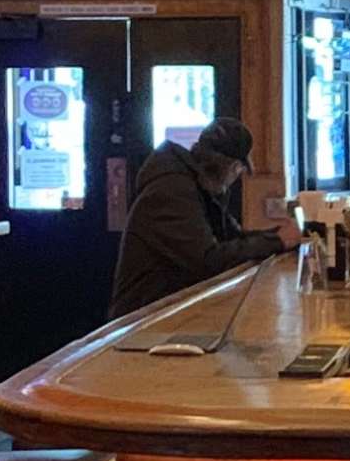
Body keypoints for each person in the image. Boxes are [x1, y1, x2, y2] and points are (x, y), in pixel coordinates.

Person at [106, 116, 287, 320]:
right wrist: (278, 240)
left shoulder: (193, 185)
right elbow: (207, 261)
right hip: (142, 322)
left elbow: (232, 239)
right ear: (233, 167)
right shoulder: (172, 189)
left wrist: (278, 237)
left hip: (169, 313)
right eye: (239, 170)